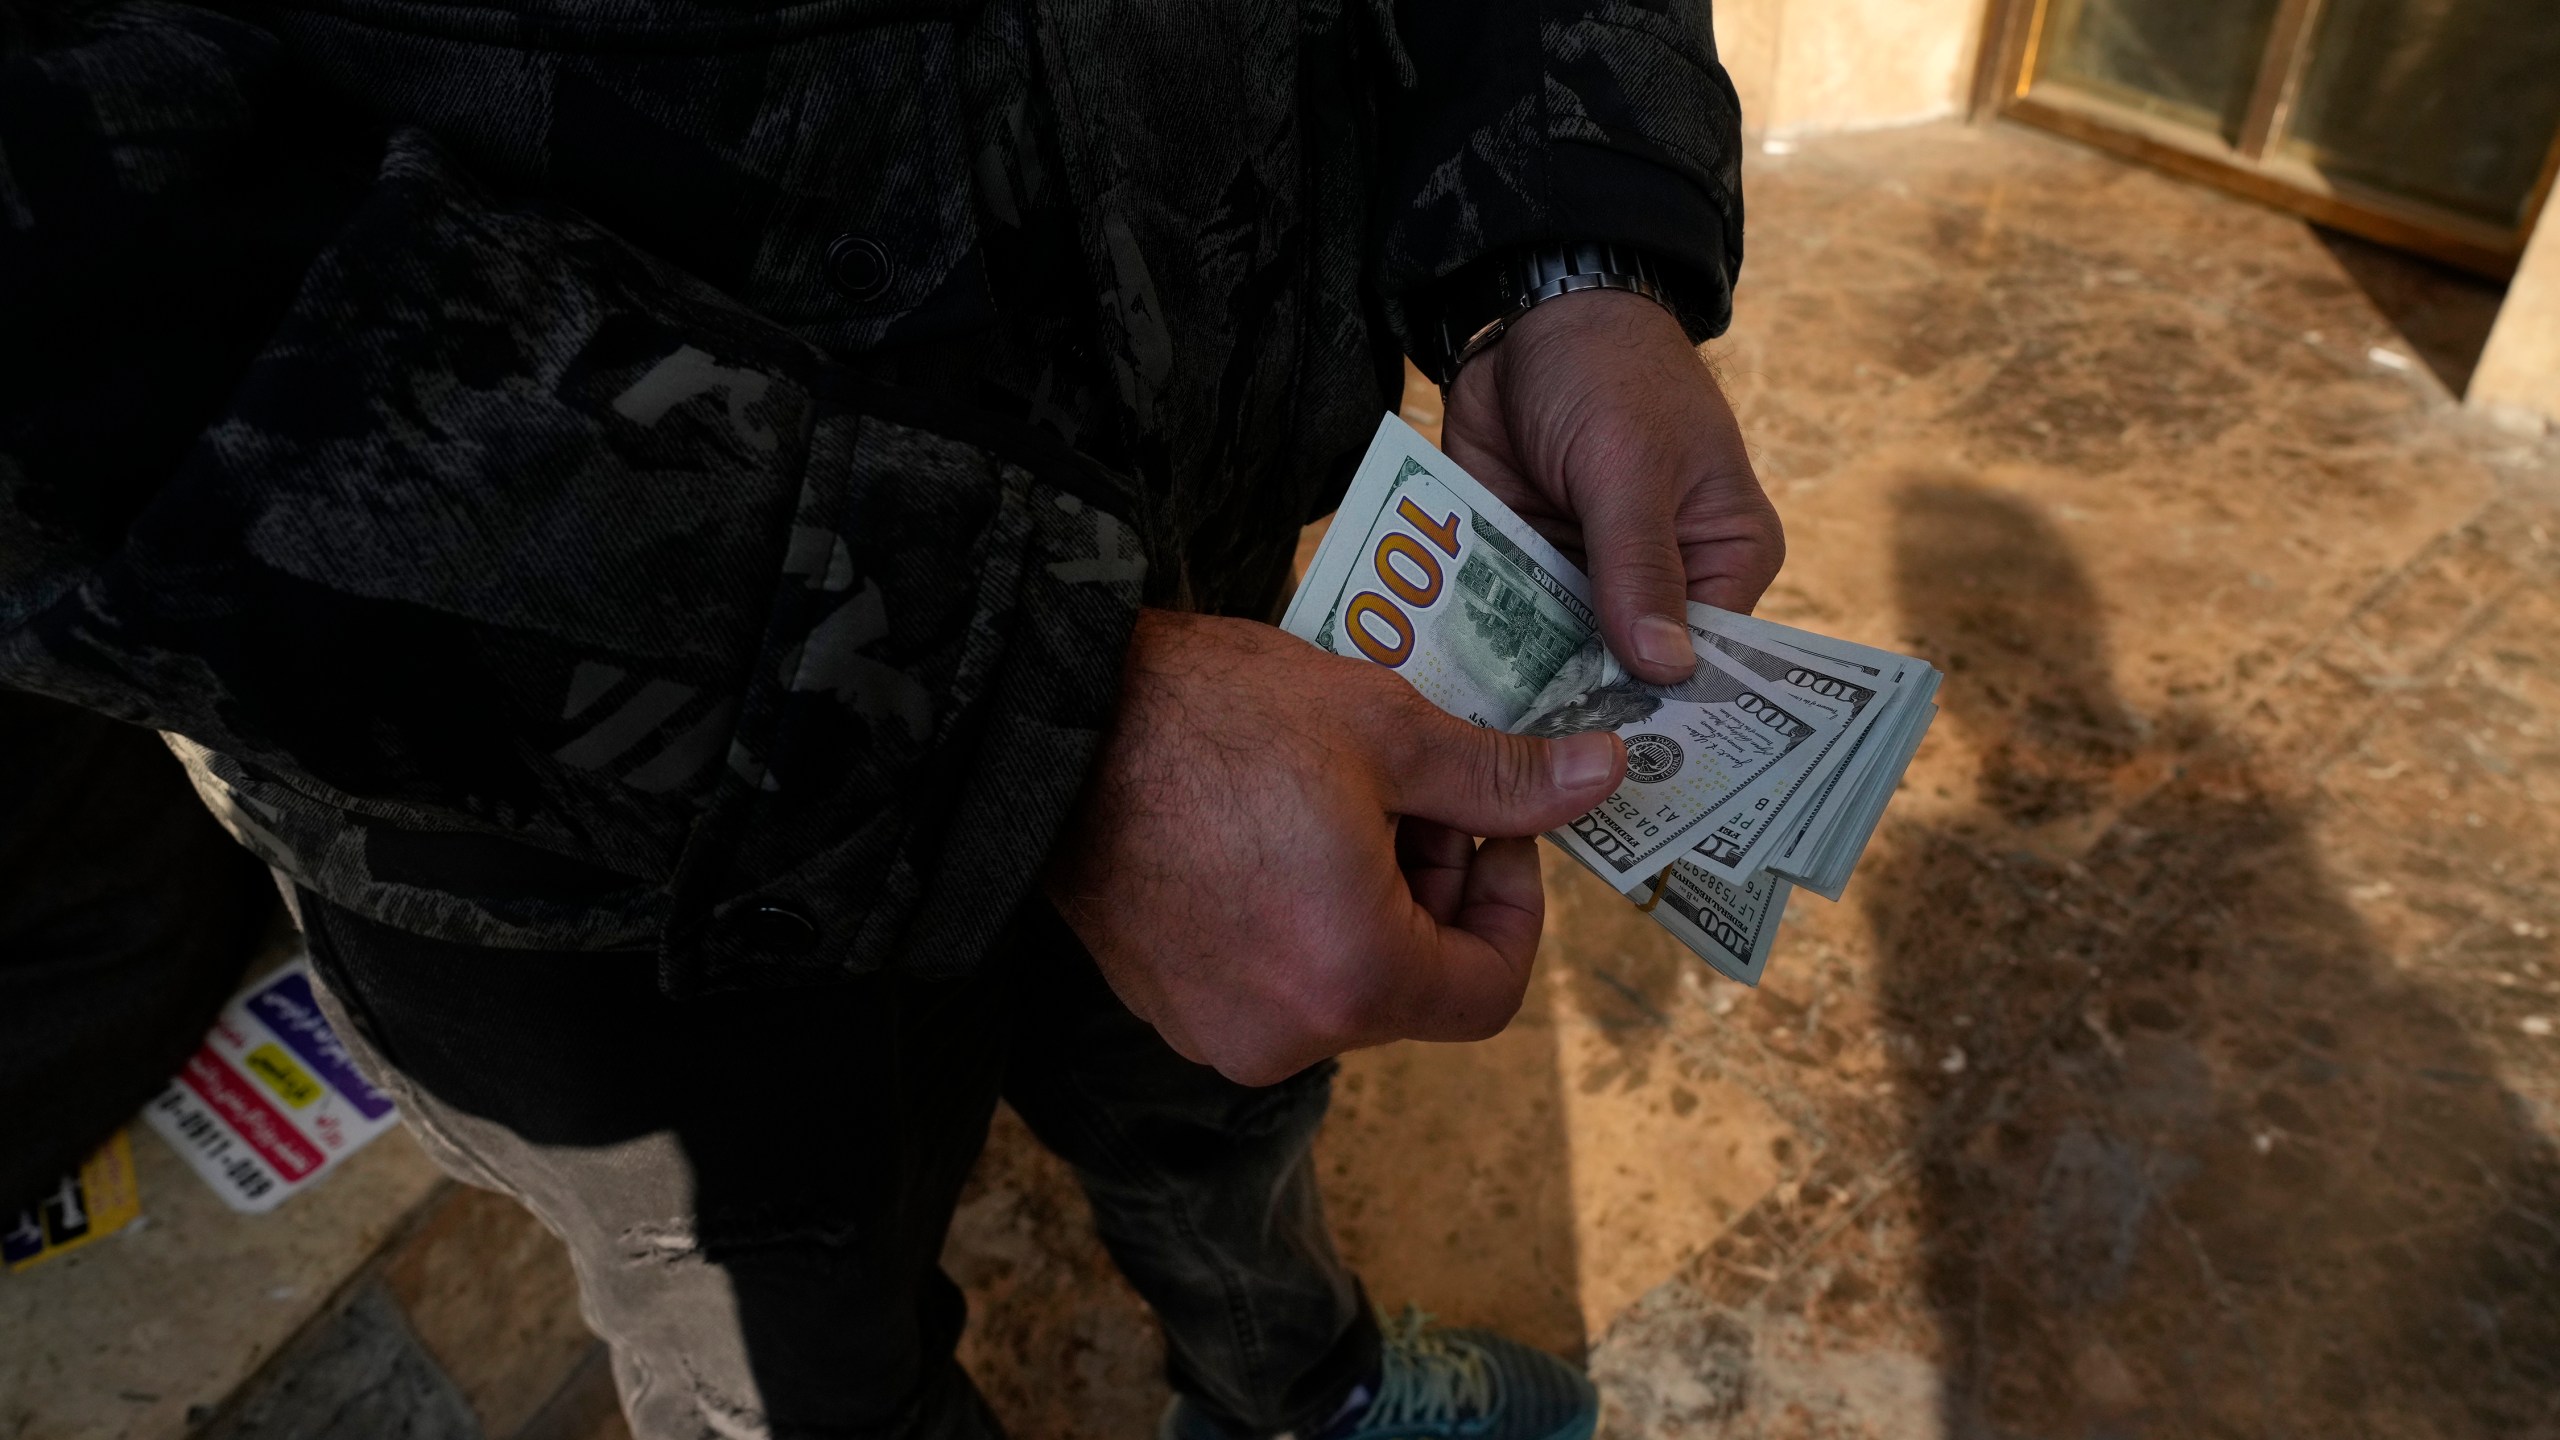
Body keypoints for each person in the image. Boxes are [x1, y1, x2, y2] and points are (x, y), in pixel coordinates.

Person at [0, 0, 1781, 1434]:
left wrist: (1568, 234)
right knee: (786, 1334)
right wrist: (1036, 719)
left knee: (1224, 1114)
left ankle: (1302, 1382)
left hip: (1215, 546)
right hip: (582, 828)